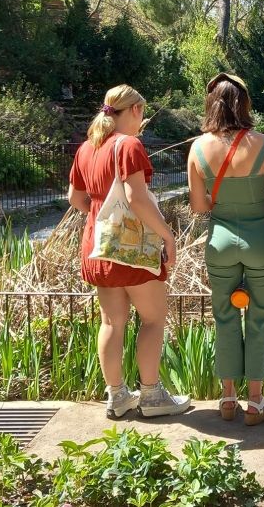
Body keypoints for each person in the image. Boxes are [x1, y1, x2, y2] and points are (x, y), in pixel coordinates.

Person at [68, 84, 190, 419]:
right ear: (135, 110)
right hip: (130, 249)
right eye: (143, 113)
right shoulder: (129, 145)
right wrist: (167, 235)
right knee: (153, 318)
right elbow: (135, 197)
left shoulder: (87, 148)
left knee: (111, 322)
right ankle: (151, 396)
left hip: (97, 246)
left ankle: (118, 396)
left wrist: (102, 215)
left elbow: (76, 199)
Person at [188, 72, 264, 426]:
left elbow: (200, 207)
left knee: (224, 317)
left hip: (220, 240)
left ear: (211, 103)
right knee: (261, 317)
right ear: (244, 103)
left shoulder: (197, 148)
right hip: (261, 239)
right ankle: (256, 402)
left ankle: (228, 397)